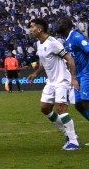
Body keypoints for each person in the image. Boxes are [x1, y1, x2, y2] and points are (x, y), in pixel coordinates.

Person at [29, 17, 80, 151]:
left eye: (32, 27)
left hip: (62, 80)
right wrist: (35, 74)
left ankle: (73, 141)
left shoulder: (54, 43)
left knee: (61, 109)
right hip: (51, 82)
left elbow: (70, 60)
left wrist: (73, 78)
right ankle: (67, 133)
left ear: (39, 29)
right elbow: (44, 63)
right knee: (45, 108)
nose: (30, 29)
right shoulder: (39, 44)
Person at [61, 14, 89, 120]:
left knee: (86, 101)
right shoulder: (67, 41)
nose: (57, 25)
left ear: (67, 25)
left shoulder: (77, 37)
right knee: (78, 105)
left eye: (61, 23)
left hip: (86, 73)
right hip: (78, 75)